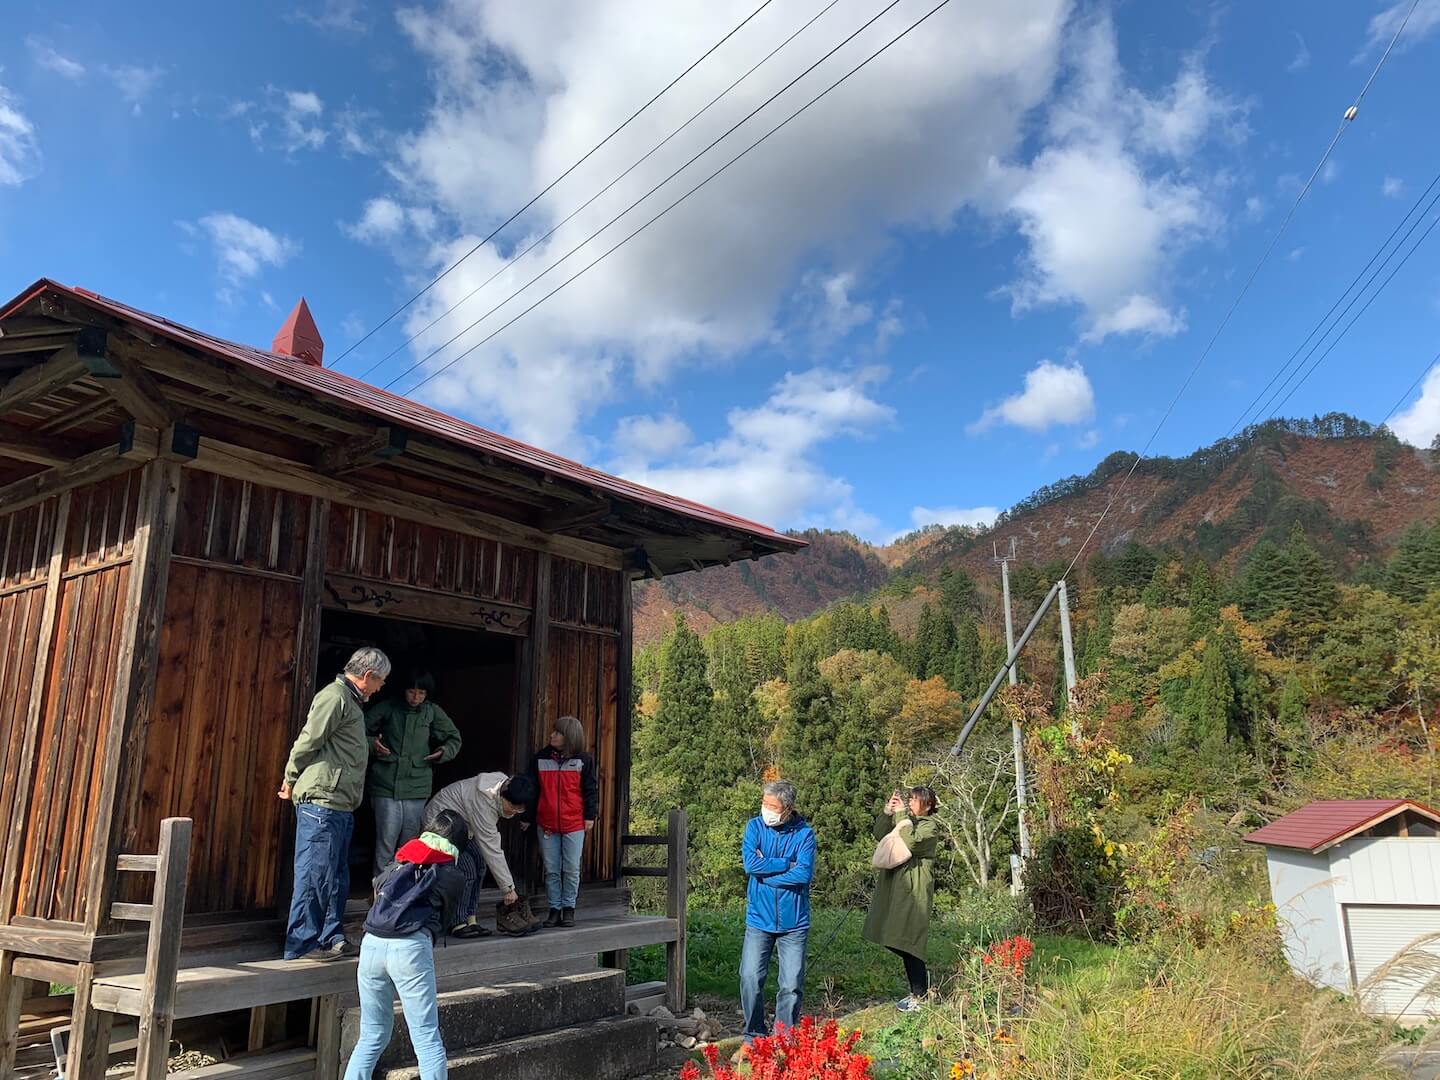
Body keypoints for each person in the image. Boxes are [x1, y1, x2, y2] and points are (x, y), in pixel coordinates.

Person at [279, 646, 390, 961]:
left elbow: (340, 740)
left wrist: (369, 744)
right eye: (381, 681)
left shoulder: (351, 702)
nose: (381, 687)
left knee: (335, 875)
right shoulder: (335, 697)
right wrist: (290, 777)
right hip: (322, 802)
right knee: (315, 873)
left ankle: (330, 937)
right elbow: (309, 739)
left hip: (340, 803)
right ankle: (302, 944)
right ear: (368, 676)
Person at [343, 807, 469, 1080]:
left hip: (371, 944)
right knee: (426, 1039)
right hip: (410, 947)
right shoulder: (452, 874)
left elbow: (377, 886)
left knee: (372, 1035)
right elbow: (445, 917)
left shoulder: (400, 859)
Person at [739, 779, 816, 1047]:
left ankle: (783, 1038)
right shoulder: (754, 827)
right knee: (750, 978)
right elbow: (750, 865)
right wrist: (785, 864)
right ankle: (754, 1034)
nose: (766, 810)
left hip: (794, 922)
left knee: (791, 984)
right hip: (759, 919)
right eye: (764, 804)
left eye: (773, 806)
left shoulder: (804, 834)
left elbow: (803, 873)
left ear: (787, 808)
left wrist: (766, 874)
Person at [365, 670, 463, 879]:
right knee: (385, 842)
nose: (416, 698)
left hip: (417, 785)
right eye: (411, 692)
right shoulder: (388, 707)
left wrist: (442, 752)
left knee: (410, 843)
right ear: (403, 690)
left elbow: (454, 738)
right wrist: (372, 744)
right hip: (385, 783)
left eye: (421, 693)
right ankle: (379, 891)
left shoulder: (432, 712)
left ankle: (403, 889)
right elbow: (357, 729)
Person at [425, 771, 538, 937]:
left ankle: (471, 919)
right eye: (514, 808)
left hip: (462, 829)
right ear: (504, 797)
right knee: (468, 871)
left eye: (519, 810)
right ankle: (458, 922)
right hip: (440, 829)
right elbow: (491, 847)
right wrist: (508, 888)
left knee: (480, 864)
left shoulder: (503, 785)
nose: (514, 813)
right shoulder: (483, 802)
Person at [862, 785, 941, 1012]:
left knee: (909, 939)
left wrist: (901, 816)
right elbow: (879, 834)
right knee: (892, 935)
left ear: (928, 805)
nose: (911, 803)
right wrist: (889, 811)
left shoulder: (930, 826)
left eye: (916, 800)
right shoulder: (905, 819)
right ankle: (919, 992)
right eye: (911, 799)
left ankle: (920, 995)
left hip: (914, 886)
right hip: (894, 885)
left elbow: (912, 842)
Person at [520, 715, 599, 928]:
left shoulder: (584, 760)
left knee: (571, 868)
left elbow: (590, 790)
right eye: (554, 731)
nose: (552, 735)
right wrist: (527, 817)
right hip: (545, 822)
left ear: (570, 736)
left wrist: (590, 816)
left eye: (558, 732)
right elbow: (532, 790)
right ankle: (554, 909)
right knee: (552, 868)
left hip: (574, 823)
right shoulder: (540, 758)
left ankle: (569, 909)